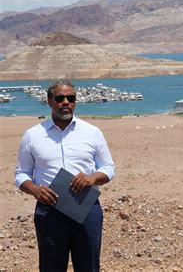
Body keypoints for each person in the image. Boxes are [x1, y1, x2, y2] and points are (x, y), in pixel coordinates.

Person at [15, 80, 116, 272]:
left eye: (71, 98)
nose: (66, 102)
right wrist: (35, 190)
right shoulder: (32, 135)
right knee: (51, 267)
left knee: (89, 267)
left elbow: (109, 168)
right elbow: (21, 174)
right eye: (60, 98)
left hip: (86, 209)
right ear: (49, 101)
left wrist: (92, 178)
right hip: (49, 211)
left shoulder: (92, 132)